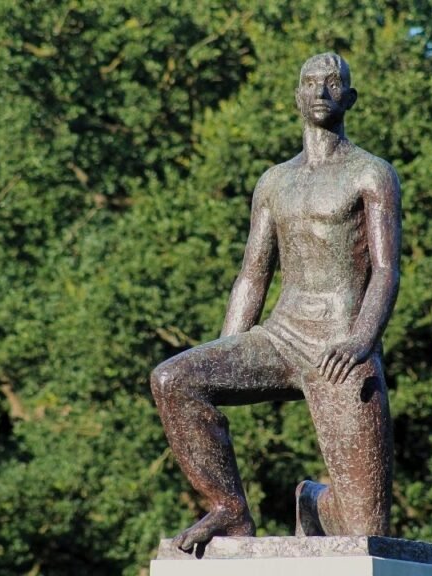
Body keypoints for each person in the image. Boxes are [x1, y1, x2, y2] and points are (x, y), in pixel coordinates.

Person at [151, 52, 401, 552]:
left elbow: (386, 269)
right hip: (281, 336)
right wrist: (226, 351)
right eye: (310, 84)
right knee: (173, 378)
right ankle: (228, 510)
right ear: (296, 97)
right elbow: (252, 274)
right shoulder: (274, 182)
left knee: (366, 530)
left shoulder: (371, 174)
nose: (320, 93)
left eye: (332, 85)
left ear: (348, 98)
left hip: (341, 347)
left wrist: (360, 340)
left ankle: (312, 501)